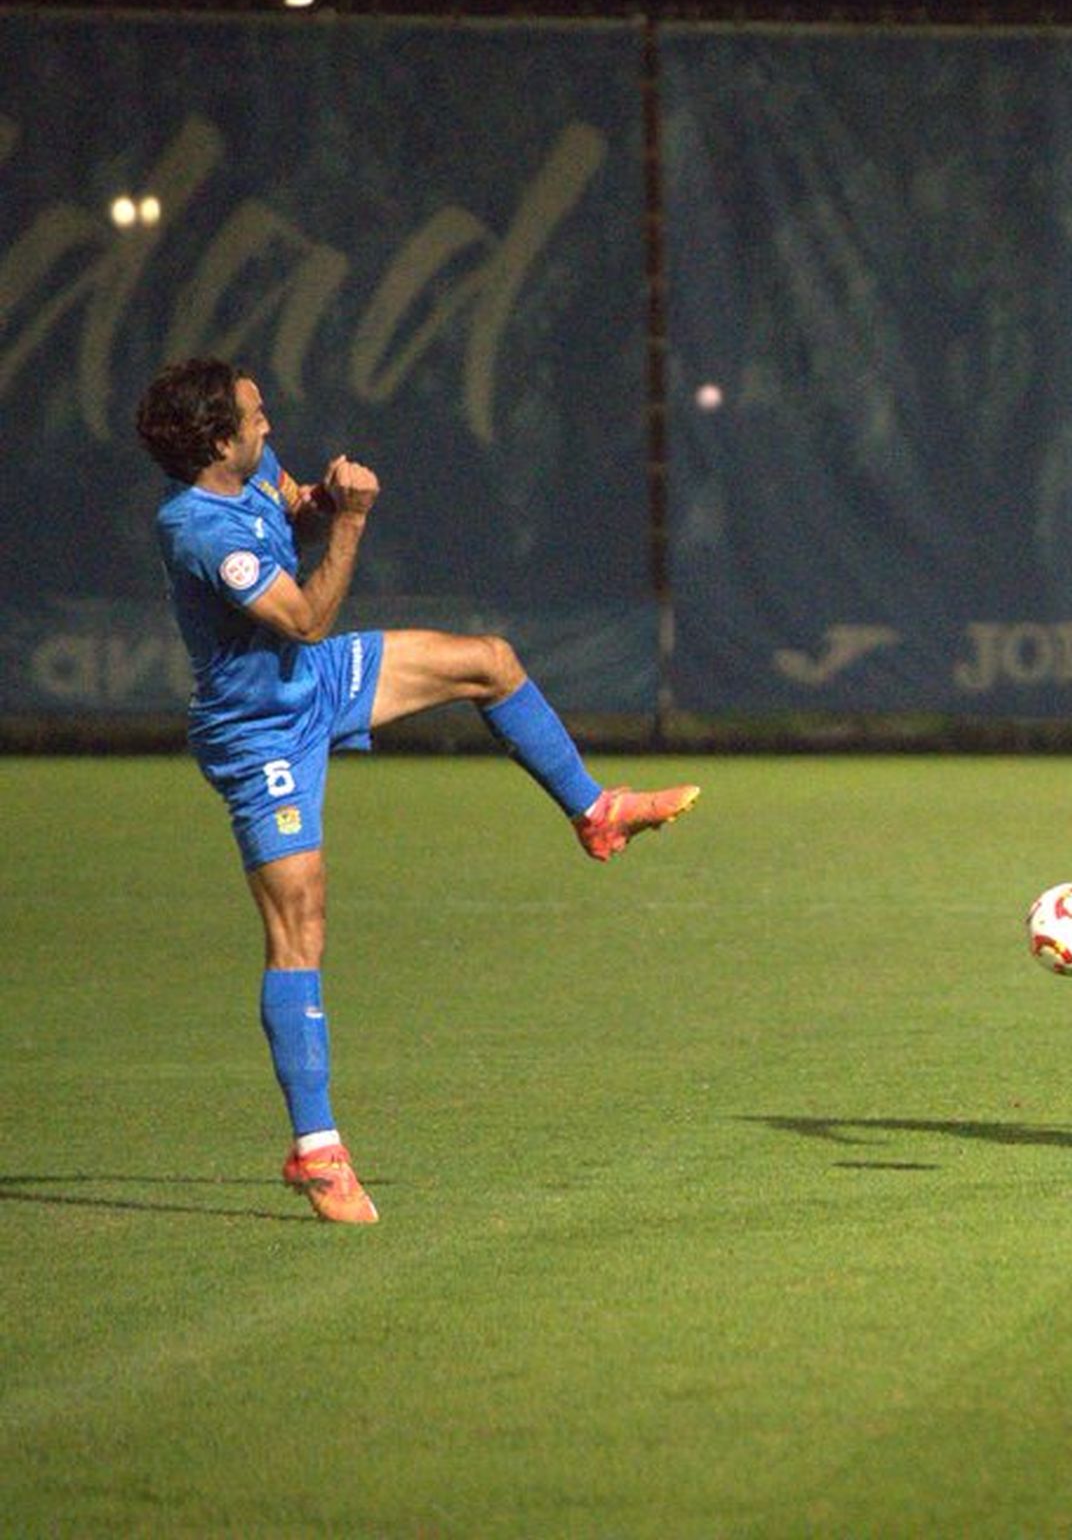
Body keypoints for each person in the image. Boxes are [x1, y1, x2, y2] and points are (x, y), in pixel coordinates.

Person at [136, 357, 700, 1223]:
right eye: (254, 416)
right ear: (217, 442)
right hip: (258, 733)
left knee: (489, 663)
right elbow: (306, 617)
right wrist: (355, 521)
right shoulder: (198, 530)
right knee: (300, 925)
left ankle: (596, 813)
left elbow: (295, 512)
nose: (268, 424)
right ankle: (317, 1150)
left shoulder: (251, 473)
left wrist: (324, 502)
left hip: (311, 681)